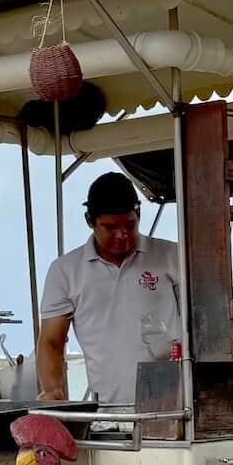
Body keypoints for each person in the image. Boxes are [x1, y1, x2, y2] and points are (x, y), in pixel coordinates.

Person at [36, 172, 181, 405]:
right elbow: (51, 341)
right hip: (108, 410)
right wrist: (52, 389)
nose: (122, 234)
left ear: (139, 215)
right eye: (110, 227)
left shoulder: (173, 256)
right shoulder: (65, 271)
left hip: (174, 402)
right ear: (89, 221)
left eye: (130, 224)